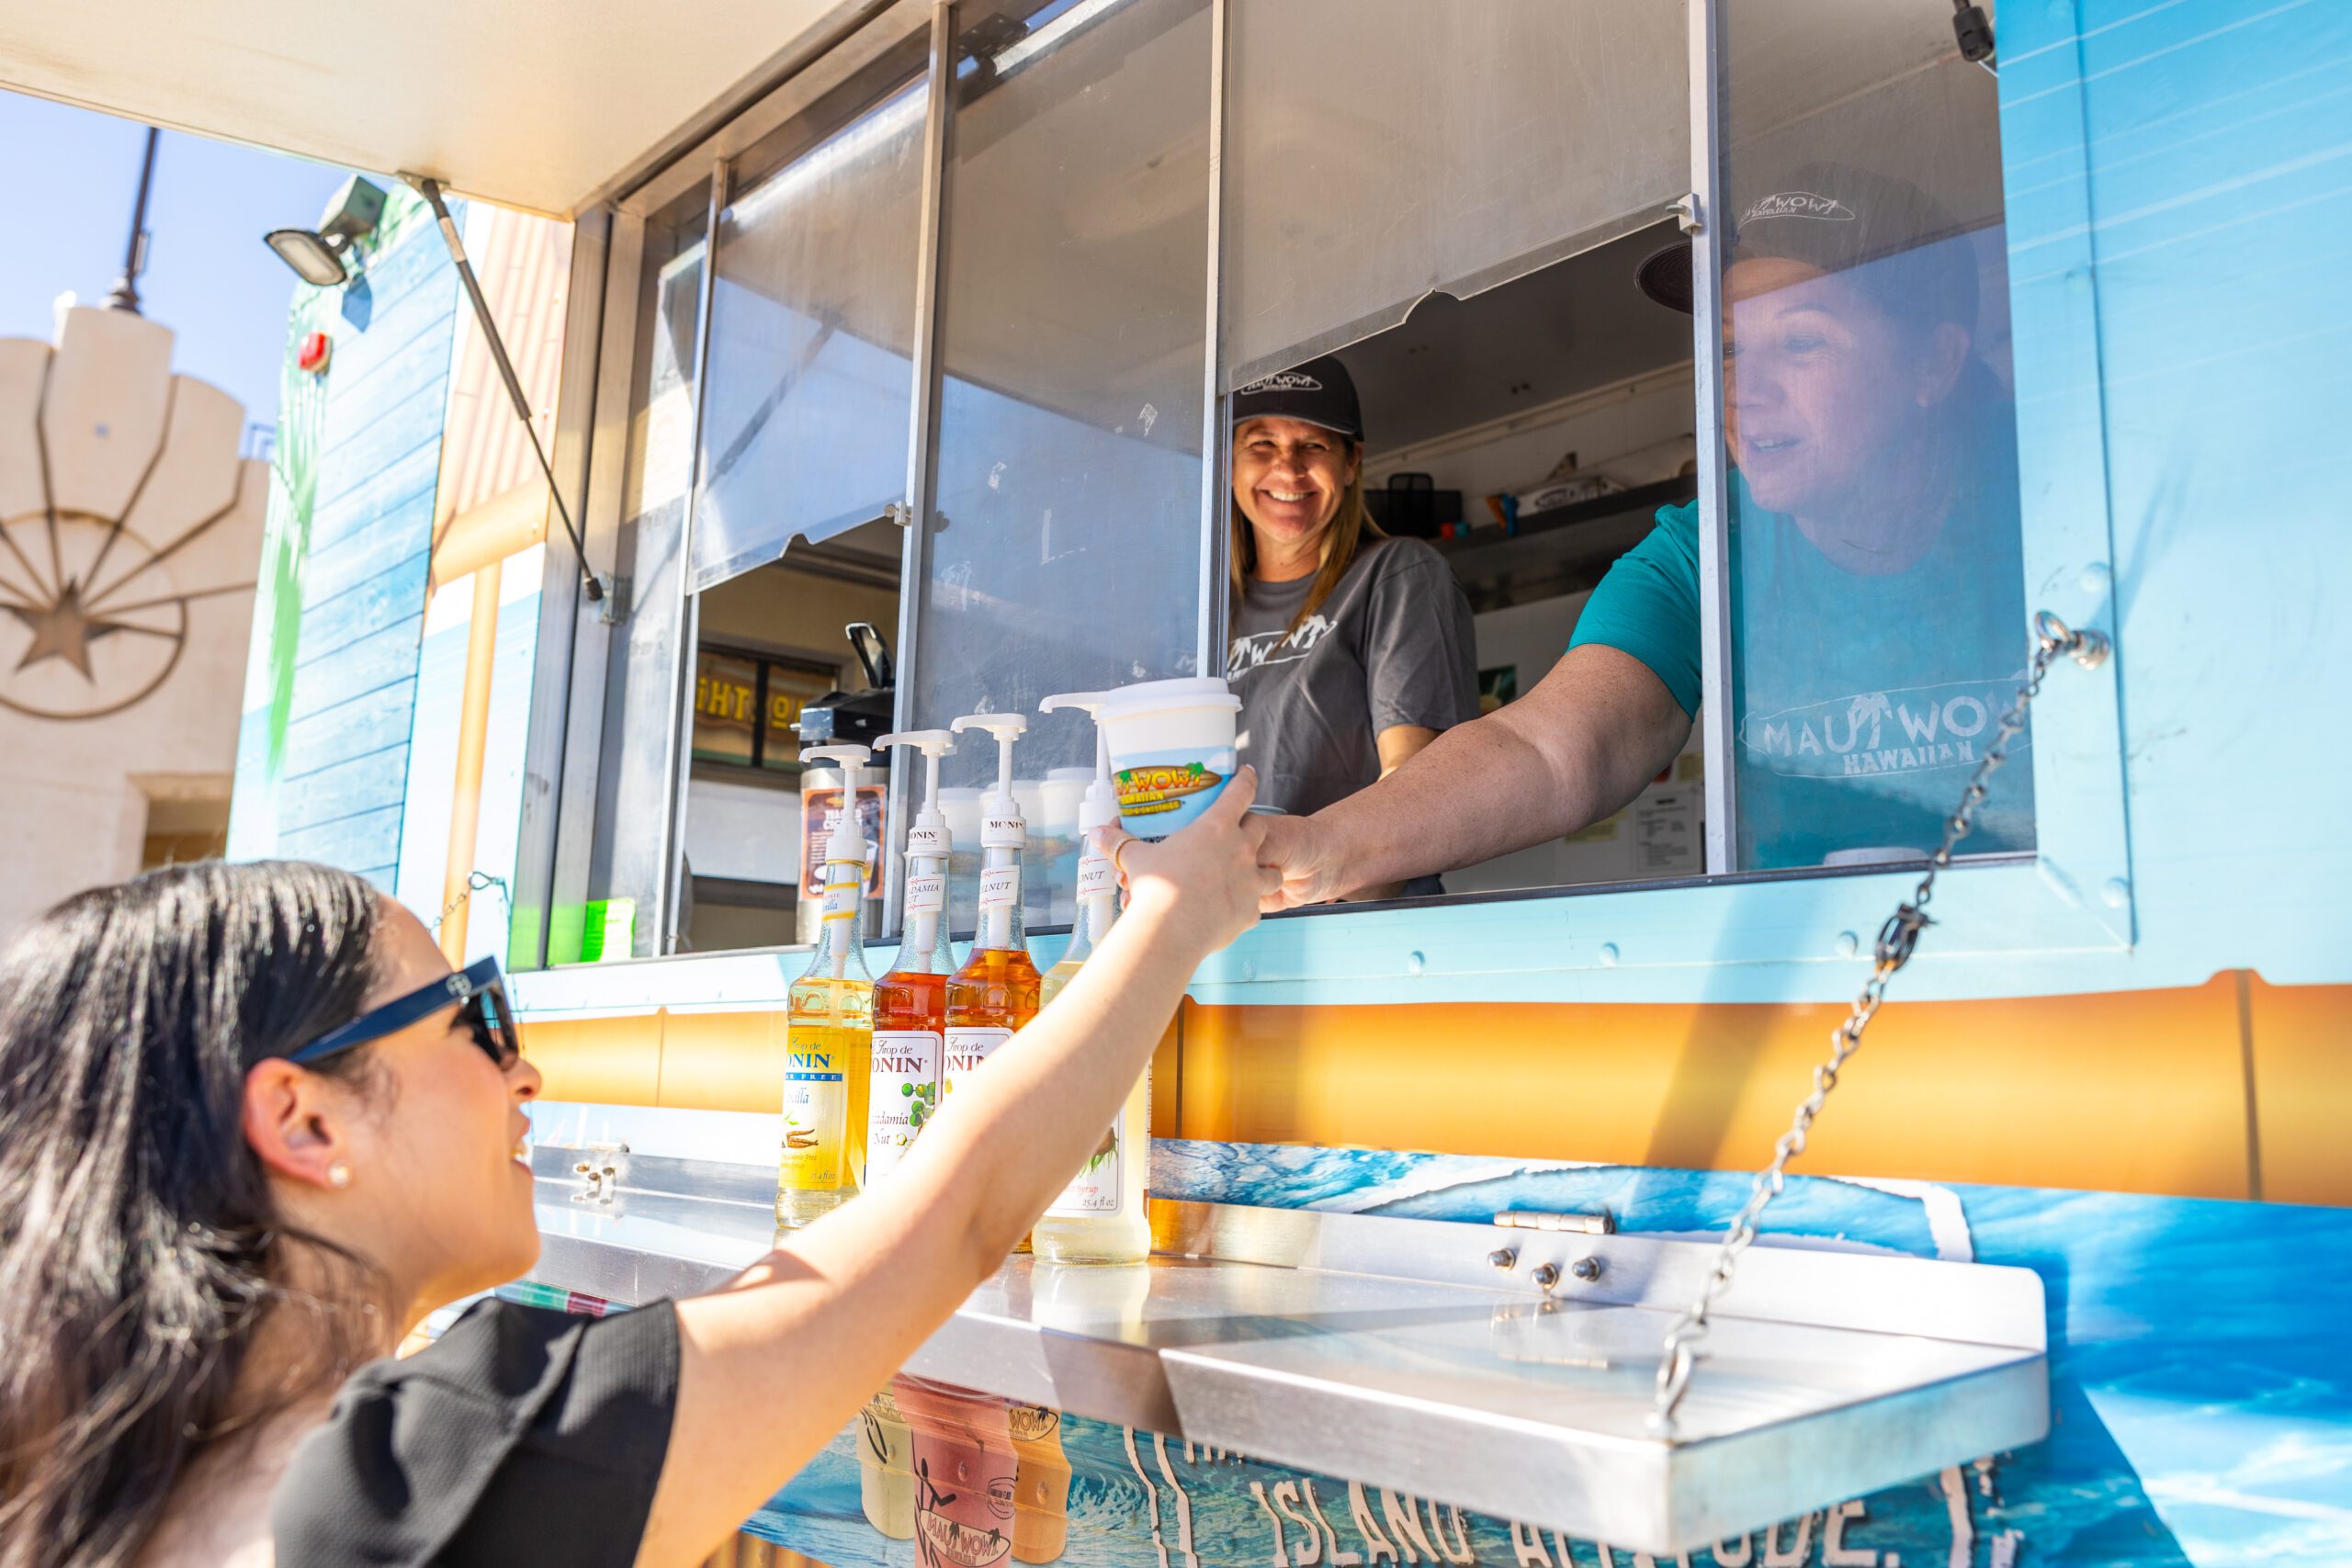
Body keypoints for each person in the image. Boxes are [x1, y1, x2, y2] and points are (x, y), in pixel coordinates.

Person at [0, 774, 1270, 1568]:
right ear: (306, 1121)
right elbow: (957, 1215)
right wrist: (1172, 913)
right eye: (475, 1016)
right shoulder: (418, 1482)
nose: (526, 1072)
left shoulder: (88, 1492)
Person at [1258, 164, 2032, 903]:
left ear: (1933, 365)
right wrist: (1317, 850)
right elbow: (1547, 749)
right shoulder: (1706, 551)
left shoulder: (2049, 503)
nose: (1744, 391)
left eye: (1800, 342)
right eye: (1731, 348)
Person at [1225, 355, 1476, 896]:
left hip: (1359, 934)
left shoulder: (1398, 574)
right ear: (1229, 464)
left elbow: (1416, 792)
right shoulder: (1203, 615)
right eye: (1261, 444)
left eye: (1313, 446)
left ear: (1351, 462)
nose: (1287, 470)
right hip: (1229, 934)